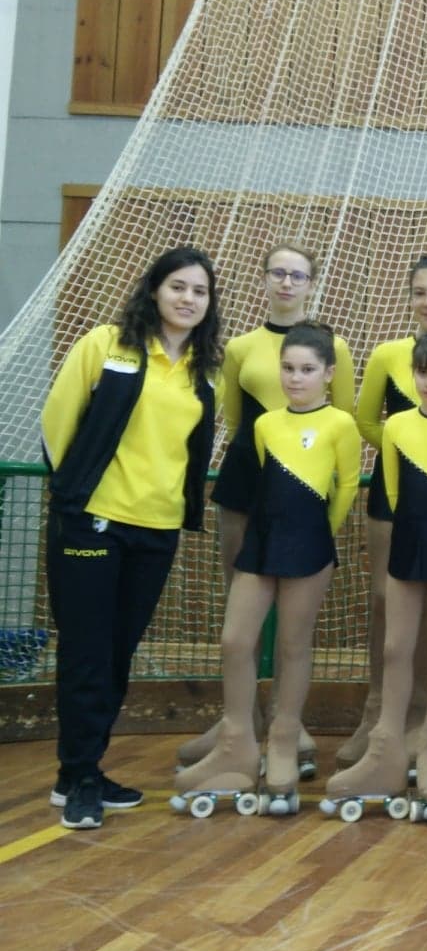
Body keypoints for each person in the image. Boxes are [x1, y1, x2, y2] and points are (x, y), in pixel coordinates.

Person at [43, 245, 222, 829]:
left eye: (199, 291)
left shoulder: (202, 372)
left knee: (117, 654)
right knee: (87, 652)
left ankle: (77, 773)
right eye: (178, 286)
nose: (187, 298)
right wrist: (74, 498)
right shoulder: (106, 345)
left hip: (157, 530)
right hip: (94, 521)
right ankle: (82, 776)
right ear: (154, 290)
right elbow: (57, 422)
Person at [177, 239, 354, 779]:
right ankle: (239, 725)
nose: (285, 282)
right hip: (249, 483)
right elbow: (234, 414)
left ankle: (286, 727)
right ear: (262, 279)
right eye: (276, 272)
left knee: (294, 629)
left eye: (296, 275)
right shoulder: (240, 347)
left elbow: (339, 421)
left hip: (303, 495)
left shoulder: (335, 348)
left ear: (311, 284)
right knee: (242, 614)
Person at [323, 330, 427, 818]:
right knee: (397, 646)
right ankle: (386, 749)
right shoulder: (396, 425)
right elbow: (393, 492)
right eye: (423, 372)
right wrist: (415, 532)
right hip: (408, 542)